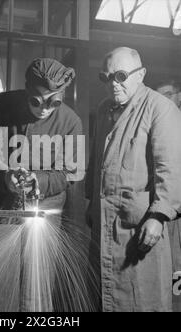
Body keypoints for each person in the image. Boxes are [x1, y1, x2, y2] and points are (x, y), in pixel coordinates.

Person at [0, 58, 83, 311]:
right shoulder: (1, 104)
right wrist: (5, 175)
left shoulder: (71, 121)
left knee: (36, 281)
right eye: (37, 100)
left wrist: (40, 180)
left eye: (53, 102)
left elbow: (70, 173)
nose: (44, 109)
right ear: (27, 91)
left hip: (44, 210)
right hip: (1, 205)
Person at [86, 47, 181, 312]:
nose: (113, 85)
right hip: (105, 224)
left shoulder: (161, 108)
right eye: (106, 78)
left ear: (141, 75)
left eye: (120, 76)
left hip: (139, 227)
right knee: (102, 299)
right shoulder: (105, 108)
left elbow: (171, 168)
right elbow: (97, 161)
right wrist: (92, 201)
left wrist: (159, 216)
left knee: (141, 299)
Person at [156, 79, 181, 311]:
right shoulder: (162, 124)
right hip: (172, 209)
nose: (164, 99)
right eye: (159, 95)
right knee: (174, 263)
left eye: (168, 94)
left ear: (179, 96)